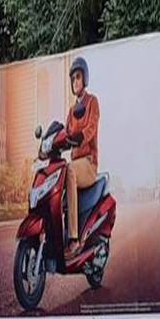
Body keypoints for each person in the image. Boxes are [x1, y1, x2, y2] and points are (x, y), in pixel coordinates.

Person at [64, 56, 101, 259]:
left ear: (84, 78)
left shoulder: (92, 102)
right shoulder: (71, 112)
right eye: (73, 79)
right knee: (60, 170)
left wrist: (80, 137)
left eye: (78, 77)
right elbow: (65, 132)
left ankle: (74, 239)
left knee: (68, 169)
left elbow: (91, 128)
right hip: (75, 163)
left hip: (88, 163)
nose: (75, 82)